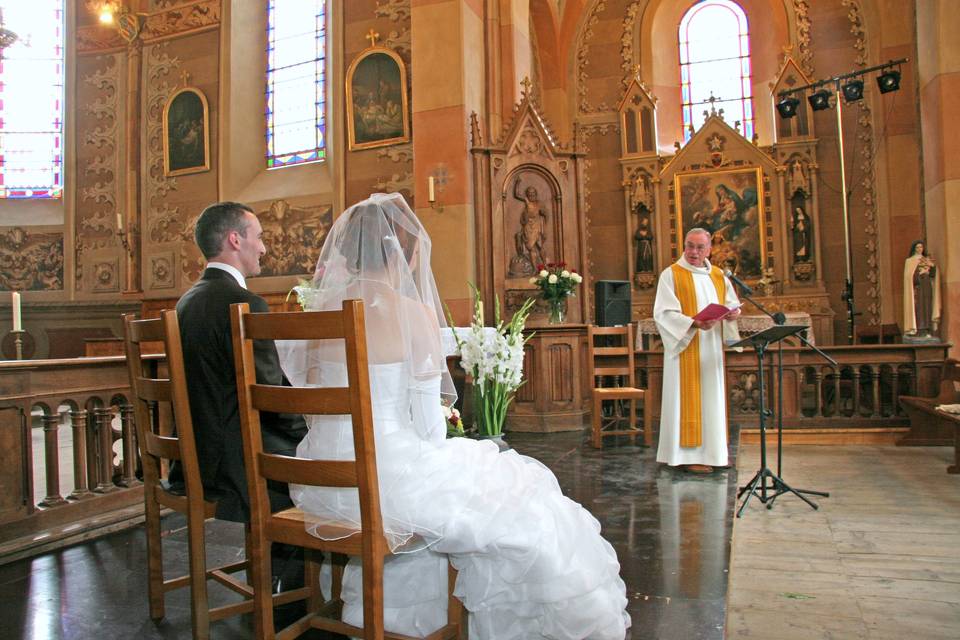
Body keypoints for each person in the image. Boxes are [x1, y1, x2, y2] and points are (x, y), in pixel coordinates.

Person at [277, 193, 630, 640]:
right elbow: (427, 426)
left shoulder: (318, 311)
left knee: (469, 496)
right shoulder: (412, 314)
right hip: (379, 482)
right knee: (518, 497)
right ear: (403, 254)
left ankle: (393, 612)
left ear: (344, 251)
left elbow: (310, 401)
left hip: (320, 482)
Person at [175, 202, 308, 586]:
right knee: (329, 469)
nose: (264, 248)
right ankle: (293, 595)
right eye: (259, 237)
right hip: (234, 464)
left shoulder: (187, 301)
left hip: (194, 457)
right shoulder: (245, 303)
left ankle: (278, 581)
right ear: (236, 240)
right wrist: (315, 431)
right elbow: (271, 398)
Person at [653, 228, 741, 473]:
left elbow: (732, 303)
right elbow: (663, 313)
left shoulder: (718, 275)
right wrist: (693, 322)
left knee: (712, 399)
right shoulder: (671, 275)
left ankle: (714, 453)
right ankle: (688, 455)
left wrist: (734, 313)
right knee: (688, 398)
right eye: (689, 246)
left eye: (699, 247)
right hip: (685, 348)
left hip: (710, 348)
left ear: (709, 250)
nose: (693, 252)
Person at [903, 240, 941, 337]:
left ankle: (928, 329)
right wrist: (919, 274)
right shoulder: (910, 261)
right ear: (914, 249)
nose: (919, 249)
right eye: (917, 247)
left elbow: (933, 274)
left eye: (921, 247)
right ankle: (919, 329)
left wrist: (932, 267)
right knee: (919, 307)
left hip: (927, 286)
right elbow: (909, 277)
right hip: (918, 289)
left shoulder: (926, 259)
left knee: (928, 306)